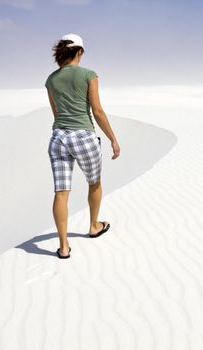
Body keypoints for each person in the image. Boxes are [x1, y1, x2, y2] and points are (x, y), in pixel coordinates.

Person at [45, 33, 120, 259]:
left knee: (61, 192)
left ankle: (64, 246)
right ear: (80, 52)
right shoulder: (89, 75)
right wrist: (113, 139)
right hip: (83, 137)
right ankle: (94, 225)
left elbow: (56, 113)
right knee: (94, 184)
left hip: (58, 138)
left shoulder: (51, 80)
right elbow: (97, 111)